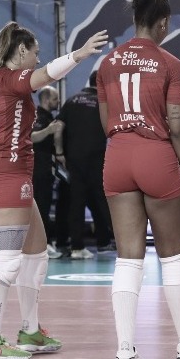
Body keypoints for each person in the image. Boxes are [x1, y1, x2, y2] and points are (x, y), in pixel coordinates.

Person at [0, 21, 107, 359]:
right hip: (6, 178)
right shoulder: (13, 79)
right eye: (35, 53)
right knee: (6, 263)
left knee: (36, 252)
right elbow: (47, 76)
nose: (38, 59)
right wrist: (80, 54)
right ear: (21, 51)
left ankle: (29, 330)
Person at [97, 0, 180, 359]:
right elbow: (179, 127)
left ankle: (125, 354)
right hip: (155, 157)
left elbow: (105, 122)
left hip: (117, 157)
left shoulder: (108, 64)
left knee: (128, 259)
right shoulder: (170, 63)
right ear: (162, 23)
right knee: (173, 257)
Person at [53, 71, 115, 259]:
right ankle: (115, 243)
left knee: (76, 203)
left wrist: (59, 153)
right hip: (97, 159)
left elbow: (58, 129)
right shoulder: (105, 104)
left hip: (74, 160)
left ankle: (77, 248)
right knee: (103, 202)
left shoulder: (71, 101)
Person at [31, 86, 69, 259]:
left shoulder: (48, 117)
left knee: (44, 206)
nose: (58, 102)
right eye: (55, 99)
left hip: (46, 168)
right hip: (38, 169)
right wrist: (48, 131)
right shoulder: (38, 117)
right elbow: (31, 137)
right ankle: (41, 246)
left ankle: (43, 243)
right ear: (46, 100)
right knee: (41, 206)